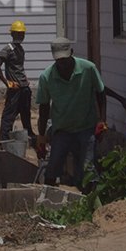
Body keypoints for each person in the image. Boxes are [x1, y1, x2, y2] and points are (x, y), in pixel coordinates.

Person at [35, 37, 106, 190]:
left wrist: (101, 120)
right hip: (62, 129)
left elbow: (101, 93)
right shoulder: (47, 77)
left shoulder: (88, 68)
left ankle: (90, 203)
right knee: (53, 167)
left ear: (72, 53)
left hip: (86, 127)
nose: (63, 63)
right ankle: (48, 200)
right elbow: (44, 108)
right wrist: (41, 136)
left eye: (65, 59)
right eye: (59, 60)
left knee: (87, 169)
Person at [0, 20, 36, 143]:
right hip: (15, 89)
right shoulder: (8, 49)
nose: (20, 36)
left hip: (24, 87)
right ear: (12, 34)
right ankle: (4, 139)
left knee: (25, 113)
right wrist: (7, 82)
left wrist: (25, 79)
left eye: (22, 34)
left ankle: (28, 132)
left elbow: (19, 68)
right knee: (9, 115)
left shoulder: (20, 49)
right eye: (18, 34)